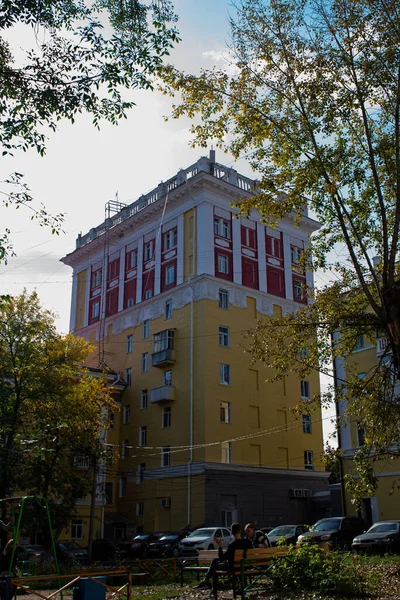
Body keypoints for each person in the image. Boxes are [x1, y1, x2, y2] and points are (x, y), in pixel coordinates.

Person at [196, 523, 252, 590]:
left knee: (215, 562)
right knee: (215, 560)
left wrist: (219, 545)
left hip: (233, 568)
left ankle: (208, 582)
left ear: (231, 532)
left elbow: (222, 557)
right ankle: (207, 582)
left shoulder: (232, 545)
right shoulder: (248, 542)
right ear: (240, 531)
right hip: (246, 566)